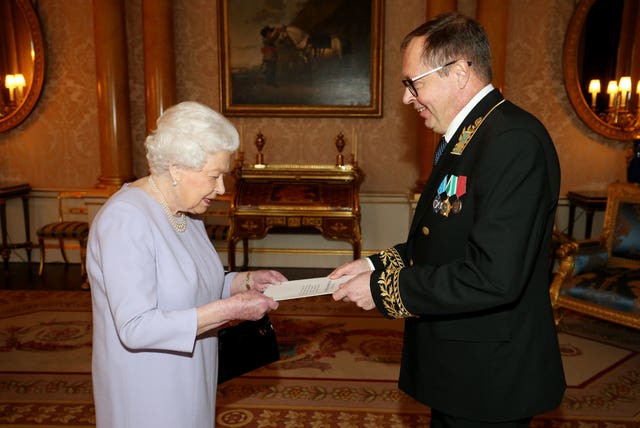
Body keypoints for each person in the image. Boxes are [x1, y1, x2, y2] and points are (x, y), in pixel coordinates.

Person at [331, 12, 566, 427]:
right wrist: (376, 264)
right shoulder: (469, 137)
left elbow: (493, 275)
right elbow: (443, 237)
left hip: (490, 377)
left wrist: (386, 289)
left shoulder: (512, 141)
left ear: (458, 72)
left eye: (413, 83)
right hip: (462, 365)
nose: (407, 99)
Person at [86, 101, 286, 427]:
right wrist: (231, 310)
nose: (221, 189)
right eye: (213, 176)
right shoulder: (125, 220)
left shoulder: (186, 211)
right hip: (148, 388)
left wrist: (245, 282)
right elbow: (135, 327)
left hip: (194, 372)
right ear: (177, 168)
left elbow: (194, 284)